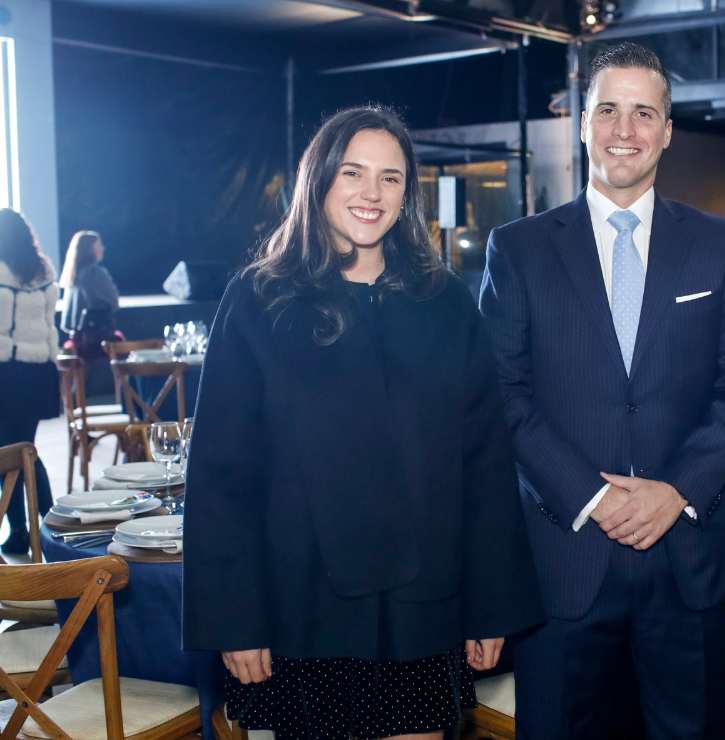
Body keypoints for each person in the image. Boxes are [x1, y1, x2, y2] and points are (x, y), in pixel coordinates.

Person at [182, 106, 542, 740]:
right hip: (302, 607)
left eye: (391, 178)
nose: (371, 193)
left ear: (408, 195)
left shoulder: (446, 302)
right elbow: (221, 475)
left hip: (423, 607)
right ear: (318, 181)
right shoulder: (259, 299)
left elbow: (484, 466)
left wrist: (490, 606)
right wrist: (235, 620)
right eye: (353, 172)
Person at [479, 42, 725, 740]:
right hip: (563, 563)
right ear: (582, 124)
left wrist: (677, 490)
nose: (624, 130)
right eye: (608, 110)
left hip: (687, 563)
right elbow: (503, 393)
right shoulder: (517, 249)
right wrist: (594, 496)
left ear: (668, 131)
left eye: (644, 112)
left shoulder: (719, 246)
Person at [0, 209, 57, 555]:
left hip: (7, 369)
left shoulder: (1, 271)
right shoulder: (44, 269)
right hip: (38, 371)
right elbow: (51, 322)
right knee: (25, 450)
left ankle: (26, 528)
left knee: (11, 453)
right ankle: (46, 523)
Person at [59, 230, 121, 356]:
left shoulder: (73, 277)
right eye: (99, 245)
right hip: (96, 344)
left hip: (77, 342)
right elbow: (113, 302)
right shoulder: (94, 273)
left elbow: (67, 322)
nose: (103, 249)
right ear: (90, 249)